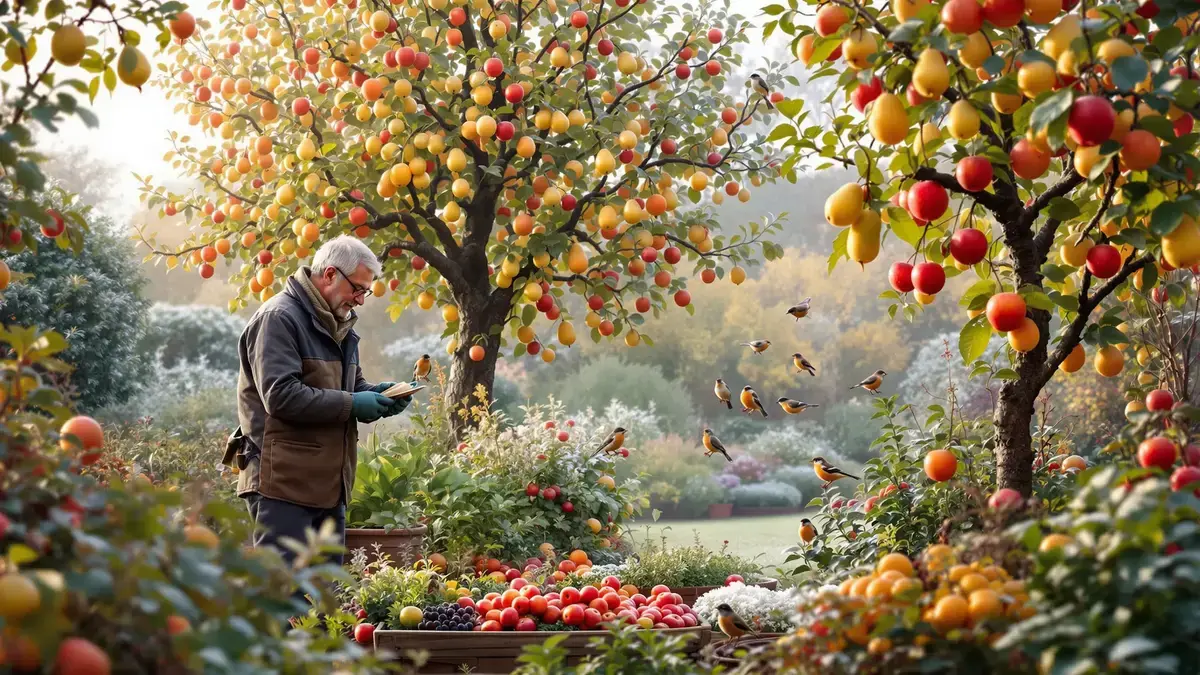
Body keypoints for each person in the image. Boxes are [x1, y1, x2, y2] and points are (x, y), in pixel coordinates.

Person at [222, 235, 412, 566]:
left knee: (327, 604)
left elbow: (350, 387)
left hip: (327, 487)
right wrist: (354, 403)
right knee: (284, 597)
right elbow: (280, 396)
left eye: (365, 292)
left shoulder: (339, 325)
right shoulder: (278, 318)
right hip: (281, 485)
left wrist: (379, 396)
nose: (360, 300)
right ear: (330, 275)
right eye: (358, 289)